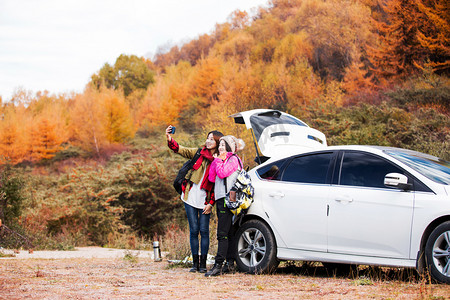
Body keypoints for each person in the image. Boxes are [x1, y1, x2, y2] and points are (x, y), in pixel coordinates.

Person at [166, 125, 223, 273]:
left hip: (206, 200)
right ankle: (195, 264)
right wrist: (169, 138)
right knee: (194, 230)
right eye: (208, 138)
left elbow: (218, 186)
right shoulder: (199, 152)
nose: (208, 141)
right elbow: (181, 149)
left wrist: (211, 203)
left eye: (212, 139)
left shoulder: (219, 160)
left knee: (204, 231)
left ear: (217, 143)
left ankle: (203, 265)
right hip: (190, 196)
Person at [205, 135, 245, 277]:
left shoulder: (233, 159)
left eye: (223, 145)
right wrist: (217, 161)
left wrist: (218, 160)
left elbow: (222, 174)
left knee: (223, 233)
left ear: (230, 147)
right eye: (220, 144)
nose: (220, 147)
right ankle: (229, 263)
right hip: (222, 198)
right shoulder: (222, 160)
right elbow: (211, 178)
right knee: (227, 233)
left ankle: (218, 265)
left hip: (229, 199)